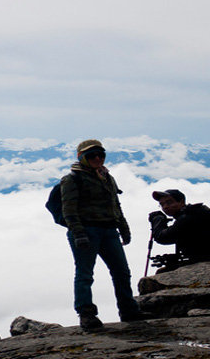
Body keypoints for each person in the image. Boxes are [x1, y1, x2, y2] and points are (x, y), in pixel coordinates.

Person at [60, 139, 150, 329]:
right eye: (91, 155)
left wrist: (123, 229)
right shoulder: (72, 179)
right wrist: (78, 234)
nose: (97, 158)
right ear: (82, 158)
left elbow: (115, 204)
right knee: (85, 274)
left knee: (122, 272)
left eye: (101, 154)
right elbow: (69, 210)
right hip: (86, 231)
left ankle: (128, 311)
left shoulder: (106, 176)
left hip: (109, 230)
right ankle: (86, 314)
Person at [149, 189, 210, 268]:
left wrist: (157, 219)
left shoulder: (190, 216)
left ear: (181, 202)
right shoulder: (196, 212)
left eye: (169, 202)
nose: (165, 207)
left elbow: (163, 237)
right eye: (162, 204)